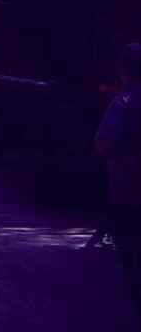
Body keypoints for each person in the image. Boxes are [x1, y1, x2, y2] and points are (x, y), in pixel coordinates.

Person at [95, 43, 141, 317]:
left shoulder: (124, 103)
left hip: (128, 189)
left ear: (124, 72)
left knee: (132, 254)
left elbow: (102, 144)